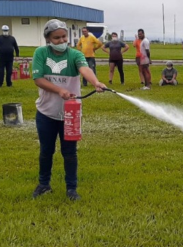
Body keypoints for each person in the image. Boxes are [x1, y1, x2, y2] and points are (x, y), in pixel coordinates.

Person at [32, 19, 107, 201]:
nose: (61, 40)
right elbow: (38, 79)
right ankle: (44, 185)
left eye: (64, 36)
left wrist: (96, 82)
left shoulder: (74, 54)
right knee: (46, 151)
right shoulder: (41, 53)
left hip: (70, 115)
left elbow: (84, 69)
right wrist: (59, 90)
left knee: (70, 153)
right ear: (48, 39)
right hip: (46, 113)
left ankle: (71, 189)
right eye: (56, 38)